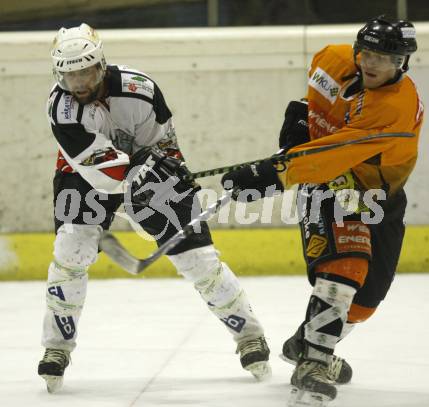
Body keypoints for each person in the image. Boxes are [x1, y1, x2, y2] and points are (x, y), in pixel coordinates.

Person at [38, 23, 270, 393]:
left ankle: (249, 336)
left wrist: (163, 169)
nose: (78, 82)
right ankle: (57, 347)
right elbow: (97, 169)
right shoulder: (60, 108)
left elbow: (164, 145)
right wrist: (134, 176)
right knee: (72, 247)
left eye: (84, 72)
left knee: (198, 259)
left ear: (100, 65)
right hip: (84, 174)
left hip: (146, 161)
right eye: (69, 74)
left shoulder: (140, 91)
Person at [221, 16, 422, 405]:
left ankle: (306, 342)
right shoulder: (331, 59)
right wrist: (296, 124)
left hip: (376, 195)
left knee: (366, 301)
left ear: (403, 63)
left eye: (387, 58)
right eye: (368, 52)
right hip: (328, 183)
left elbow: (335, 153)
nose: (373, 63)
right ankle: (315, 361)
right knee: (347, 265)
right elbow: (310, 106)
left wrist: (272, 173)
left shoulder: (396, 107)